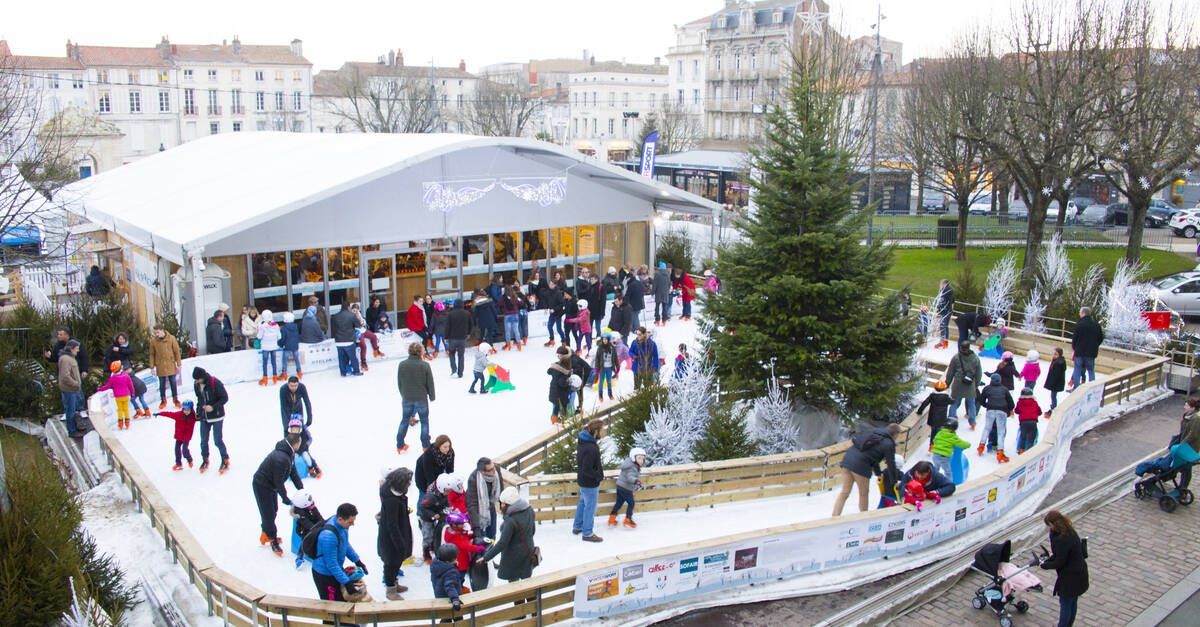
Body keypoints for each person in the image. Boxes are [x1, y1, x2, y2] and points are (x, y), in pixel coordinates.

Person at [252, 432, 305, 557]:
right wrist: (285, 498)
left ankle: (266, 532)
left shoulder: (288, 453)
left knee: (273, 510)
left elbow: (293, 472)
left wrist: (301, 488)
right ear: (296, 444)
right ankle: (272, 538)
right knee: (268, 513)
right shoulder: (281, 458)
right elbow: (279, 482)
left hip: (270, 486)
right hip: (261, 485)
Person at [831, 424, 901, 516]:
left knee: (844, 492)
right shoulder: (889, 444)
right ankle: (864, 518)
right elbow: (891, 464)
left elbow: (873, 456)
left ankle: (834, 517)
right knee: (864, 493)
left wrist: (878, 473)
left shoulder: (874, 431)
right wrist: (894, 482)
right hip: (860, 466)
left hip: (848, 459)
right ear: (895, 434)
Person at [1037, 510, 1089, 627]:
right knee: (1072, 602)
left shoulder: (1061, 539)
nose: (1048, 528)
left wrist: (1045, 565)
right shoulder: (1069, 531)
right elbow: (1059, 556)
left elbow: (1060, 561)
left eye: (1049, 525)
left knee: (1066, 604)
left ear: (1054, 524)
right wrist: (1049, 560)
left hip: (1070, 577)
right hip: (1079, 572)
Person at [477, 486, 536, 584]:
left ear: (505, 504)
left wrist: (486, 557)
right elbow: (532, 531)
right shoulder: (529, 510)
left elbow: (502, 543)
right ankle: (533, 600)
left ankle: (520, 600)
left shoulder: (510, 520)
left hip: (514, 558)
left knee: (515, 588)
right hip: (528, 552)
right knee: (528, 584)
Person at [312, 503, 368, 602]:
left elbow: (345, 544)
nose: (353, 524)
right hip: (325, 575)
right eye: (350, 522)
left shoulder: (342, 526)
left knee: (341, 600)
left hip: (335, 572)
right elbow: (331, 564)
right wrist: (346, 583)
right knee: (332, 606)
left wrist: (357, 561)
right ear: (340, 519)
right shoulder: (328, 536)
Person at [377, 468, 414, 600]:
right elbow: (392, 524)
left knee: (396, 562)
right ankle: (390, 589)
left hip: (399, 532)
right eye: (408, 481)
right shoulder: (392, 500)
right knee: (391, 563)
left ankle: (394, 583)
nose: (410, 483)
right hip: (391, 539)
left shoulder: (396, 494)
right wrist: (400, 544)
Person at [396, 342, 436, 454]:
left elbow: (399, 382)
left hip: (407, 397)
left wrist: (403, 393)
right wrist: (432, 396)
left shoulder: (402, 364)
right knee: (424, 422)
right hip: (421, 398)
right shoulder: (425, 365)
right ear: (420, 352)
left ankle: (400, 445)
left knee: (404, 421)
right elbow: (430, 383)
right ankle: (426, 446)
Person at [193, 367, 230, 474]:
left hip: (217, 416)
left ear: (202, 377)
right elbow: (200, 399)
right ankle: (205, 459)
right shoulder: (196, 385)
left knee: (217, 440)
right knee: (203, 441)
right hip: (204, 417)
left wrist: (213, 407)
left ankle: (225, 459)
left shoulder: (215, 383)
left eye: (198, 379)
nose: (196, 382)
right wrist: (198, 412)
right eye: (195, 380)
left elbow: (225, 398)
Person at [573, 419, 605, 542]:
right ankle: (587, 533)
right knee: (590, 507)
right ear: (596, 431)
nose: (603, 432)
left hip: (583, 480)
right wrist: (598, 476)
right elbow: (587, 468)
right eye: (602, 430)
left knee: (582, 503)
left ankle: (577, 526)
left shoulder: (583, 442)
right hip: (590, 483)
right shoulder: (591, 447)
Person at [442, 511, 487, 592]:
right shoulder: (454, 537)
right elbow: (466, 546)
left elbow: (464, 537)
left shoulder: (457, 531)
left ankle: (460, 586)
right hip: (460, 563)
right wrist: (478, 548)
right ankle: (458, 589)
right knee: (459, 577)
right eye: (460, 524)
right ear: (453, 524)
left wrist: (470, 535)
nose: (463, 525)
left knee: (460, 577)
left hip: (462, 560)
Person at [978, 373, 1015, 463]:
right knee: (1001, 432)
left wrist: (988, 405)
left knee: (987, 428)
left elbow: (981, 400)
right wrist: (1009, 411)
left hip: (990, 410)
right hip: (1002, 411)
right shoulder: (1004, 389)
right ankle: (1000, 452)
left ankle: (981, 446)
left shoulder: (987, 388)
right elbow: (1011, 403)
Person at [945, 340, 982, 428]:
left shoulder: (956, 358)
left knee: (954, 403)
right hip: (970, 384)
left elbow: (950, 371)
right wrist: (976, 385)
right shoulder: (975, 358)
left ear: (960, 347)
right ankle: (972, 422)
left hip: (958, 384)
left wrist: (947, 382)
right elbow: (978, 373)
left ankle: (951, 419)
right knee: (971, 404)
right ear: (969, 347)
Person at [466, 457, 504, 542]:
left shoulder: (497, 469)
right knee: (483, 539)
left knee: (492, 535)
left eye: (493, 466)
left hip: (491, 506)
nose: (494, 470)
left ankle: (491, 548)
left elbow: (501, 490)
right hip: (480, 510)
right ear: (483, 472)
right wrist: (476, 527)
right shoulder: (473, 479)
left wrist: (504, 509)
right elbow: (472, 504)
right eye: (491, 469)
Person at [155, 401, 198, 471]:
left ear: (191, 409)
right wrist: (160, 413)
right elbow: (169, 414)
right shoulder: (178, 415)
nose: (186, 412)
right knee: (177, 449)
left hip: (187, 437)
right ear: (182, 409)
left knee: (184, 450)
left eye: (188, 410)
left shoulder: (194, 416)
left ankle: (189, 460)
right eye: (185, 410)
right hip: (179, 436)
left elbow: (201, 418)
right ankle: (178, 464)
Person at [415, 435, 456, 508]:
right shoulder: (429, 454)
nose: (447, 449)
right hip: (422, 475)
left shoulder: (450, 453)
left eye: (448, 446)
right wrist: (435, 488)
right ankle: (420, 513)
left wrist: (449, 483)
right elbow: (429, 474)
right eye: (445, 447)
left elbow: (450, 470)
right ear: (439, 446)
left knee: (439, 494)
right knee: (424, 495)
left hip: (438, 472)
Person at [608, 447, 644, 529]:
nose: (641, 460)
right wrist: (636, 481)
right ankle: (628, 519)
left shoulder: (630, 464)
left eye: (642, 458)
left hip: (620, 486)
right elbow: (630, 477)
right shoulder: (632, 467)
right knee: (631, 503)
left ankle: (612, 518)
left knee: (619, 503)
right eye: (639, 458)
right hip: (626, 488)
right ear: (633, 457)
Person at [1070, 306, 1104, 388]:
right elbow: (1100, 338)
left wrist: (1075, 348)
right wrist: (1094, 346)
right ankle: (1092, 388)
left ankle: (1076, 389)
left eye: (1080, 313)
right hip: (1091, 353)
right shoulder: (1096, 325)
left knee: (1077, 370)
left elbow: (1074, 339)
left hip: (1080, 352)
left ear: (1083, 313)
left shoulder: (1079, 324)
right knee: (1091, 371)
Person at [57, 339, 86, 438]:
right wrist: (76, 384)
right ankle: (72, 431)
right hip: (69, 389)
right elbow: (65, 376)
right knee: (70, 411)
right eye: (77, 348)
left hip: (73, 388)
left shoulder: (70, 357)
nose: (78, 350)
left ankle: (74, 428)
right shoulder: (66, 359)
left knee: (73, 410)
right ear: (71, 348)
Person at [149, 324, 181, 409]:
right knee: (162, 385)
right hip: (160, 366)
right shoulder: (154, 341)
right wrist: (152, 367)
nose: (156, 334)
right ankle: (163, 400)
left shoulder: (171, 338)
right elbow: (152, 354)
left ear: (162, 330)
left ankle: (176, 399)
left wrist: (179, 364)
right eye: (155, 333)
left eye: (157, 332)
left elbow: (177, 351)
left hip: (170, 364)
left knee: (173, 383)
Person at [291, 490, 324, 568]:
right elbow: (307, 525)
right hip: (303, 529)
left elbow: (319, 517)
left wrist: (324, 524)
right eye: (310, 501)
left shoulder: (311, 506)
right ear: (304, 504)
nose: (312, 502)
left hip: (313, 524)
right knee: (307, 537)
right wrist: (318, 529)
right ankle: (300, 556)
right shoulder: (299, 513)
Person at [96, 361, 135, 430]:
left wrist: (100, 389)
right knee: (126, 409)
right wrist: (132, 394)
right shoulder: (126, 376)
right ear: (120, 368)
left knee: (120, 410)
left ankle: (120, 424)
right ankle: (127, 423)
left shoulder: (113, 378)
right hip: (126, 396)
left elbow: (107, 386)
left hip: (118, 397)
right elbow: (131, 386)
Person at [1174, 396, 1200, 490]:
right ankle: (1182, 487)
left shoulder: (1195, 418)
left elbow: (1193, 434)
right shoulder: (1187, 416)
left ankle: (1183, 488)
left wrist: (1181, 445)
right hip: (1185, 446)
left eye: (1186, 405)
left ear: (1192, 408)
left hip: (1190, 448)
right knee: (1184, 467)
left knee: (1186, 468)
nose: (1184, 407)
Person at [431, 544, 465, 613]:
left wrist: (452, 565)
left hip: (440, 596)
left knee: (445, 616)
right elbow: (450, 586)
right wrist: (455, 599)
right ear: (452, 559)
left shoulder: (436, 564)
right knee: (455, 617)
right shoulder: (451, 572)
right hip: (449, 599)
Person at [917, 380, 953, 445]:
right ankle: (935, 445)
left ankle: (931, 445)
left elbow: (925, 403)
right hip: (941, 418)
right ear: (944, 388)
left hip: (932, 417)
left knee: (933, 431)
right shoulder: (946, 397)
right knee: (938, 432)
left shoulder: (932, 395)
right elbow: (952, 402)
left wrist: (919, 411)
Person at [331, 305, 362, 377]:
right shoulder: (351, 315)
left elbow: (333, 329)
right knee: (353, 357)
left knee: (341, 359)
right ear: (348, 307)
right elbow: (358, 325)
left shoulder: (335, 316)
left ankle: (343, 373)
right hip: (349, 340)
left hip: (339, 341)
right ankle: (356, 371)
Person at [446, 299, 472, 378]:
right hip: (462, 338)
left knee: (451, 354)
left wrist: (446, 337)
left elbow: (447, 326)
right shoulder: (467, 313)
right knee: (461, 356)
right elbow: (471, 324)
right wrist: (468, 333)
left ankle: (454, 369)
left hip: (452, 338)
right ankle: (460, 373)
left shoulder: (450, 314)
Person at [547, 351, 574, 425]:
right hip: (560, 394)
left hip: (554, 391)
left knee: (556, 406)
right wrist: (569, 382)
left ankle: (554, 420)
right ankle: (557, 421)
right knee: (559, 407)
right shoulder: (564, 371)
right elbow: (562, 383)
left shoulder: (556, 367)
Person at [257, 310, 283, 384]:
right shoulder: (276, 325)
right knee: (274, 362)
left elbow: (259, 337)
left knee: (265, 363)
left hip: (265, 347)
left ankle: (265, 378)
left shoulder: (262, 326)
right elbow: (279, 336)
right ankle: (275, 377)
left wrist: (259, 328)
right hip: (274, 346)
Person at [1015, 388, 1043, 454]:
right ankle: (1029, 452)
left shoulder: (1020, 402)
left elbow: (1017, 411)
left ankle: (1021, 450)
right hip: (1033, 422)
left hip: (1023, 422)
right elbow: (1039, 412)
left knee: (1023, 436)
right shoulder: (1034, 402)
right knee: (1032, 437)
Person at [592, 334, 620, 403]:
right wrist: (596, 368)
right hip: (602, 368)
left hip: (610, 368)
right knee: (601, 382)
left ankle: (610, 394)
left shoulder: (612, 348)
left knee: (609, 381)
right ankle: (600, 395)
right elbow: (597, 358)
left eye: (606, 339)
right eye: (603, 339)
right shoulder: (600, 347)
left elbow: (615, 358)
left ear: (608, 340)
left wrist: (617, 367)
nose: (604, 341)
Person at [542, 277, 567, 347]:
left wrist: (554, 309)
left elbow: (561, 304)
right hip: (552, 313)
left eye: (551, 284)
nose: (550, 285)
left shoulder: (558, 293)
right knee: (549, 326)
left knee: (559, 329)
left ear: (555, 285)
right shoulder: (548, 292)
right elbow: (546, 301)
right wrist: (546, 308)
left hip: (558, 313)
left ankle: (564, 341)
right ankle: (552, 340)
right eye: (549, 284)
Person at [279, 312, 303, 379]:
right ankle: (299, 372)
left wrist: (280, 344)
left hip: (287, 347)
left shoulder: (283, 328)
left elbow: (282, 338)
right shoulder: (295, 327)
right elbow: (297, 336)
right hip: (295, 346)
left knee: (284, 360)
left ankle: (284, 373)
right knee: (296, 359)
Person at [1044, 347, 1067, 418]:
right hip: (1055, 383)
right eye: (1054, 354)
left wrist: (1052, 384)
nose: (1054, 355)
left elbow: (1056, 375)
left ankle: (1053, 409)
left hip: (1056, 383)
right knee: (1053, 396)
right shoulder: (1056, 361)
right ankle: (1053, 407)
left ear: (1059, 355)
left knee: (1053, 396)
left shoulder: (1059, 363)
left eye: (1056, 354)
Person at [499, 287, 522, 351]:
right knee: (516, 330)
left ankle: (508, 345)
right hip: (515, 314)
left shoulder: (503, 298)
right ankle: (519, 345)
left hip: (507, 315)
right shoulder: (515, 296)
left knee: (507, 331)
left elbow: (498, 304)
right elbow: (521, 303)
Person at [935, 278, 954, 349]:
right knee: (945, 326)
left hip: (945, 311)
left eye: (941, 284)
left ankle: (943, 342)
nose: (940, 286)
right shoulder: (949, 291)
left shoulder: (945, 291)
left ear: (944, 284)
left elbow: (941, 301)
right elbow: (952, 301)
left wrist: (938, 310)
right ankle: (945, 343)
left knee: (943, 326)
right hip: (947, 311)